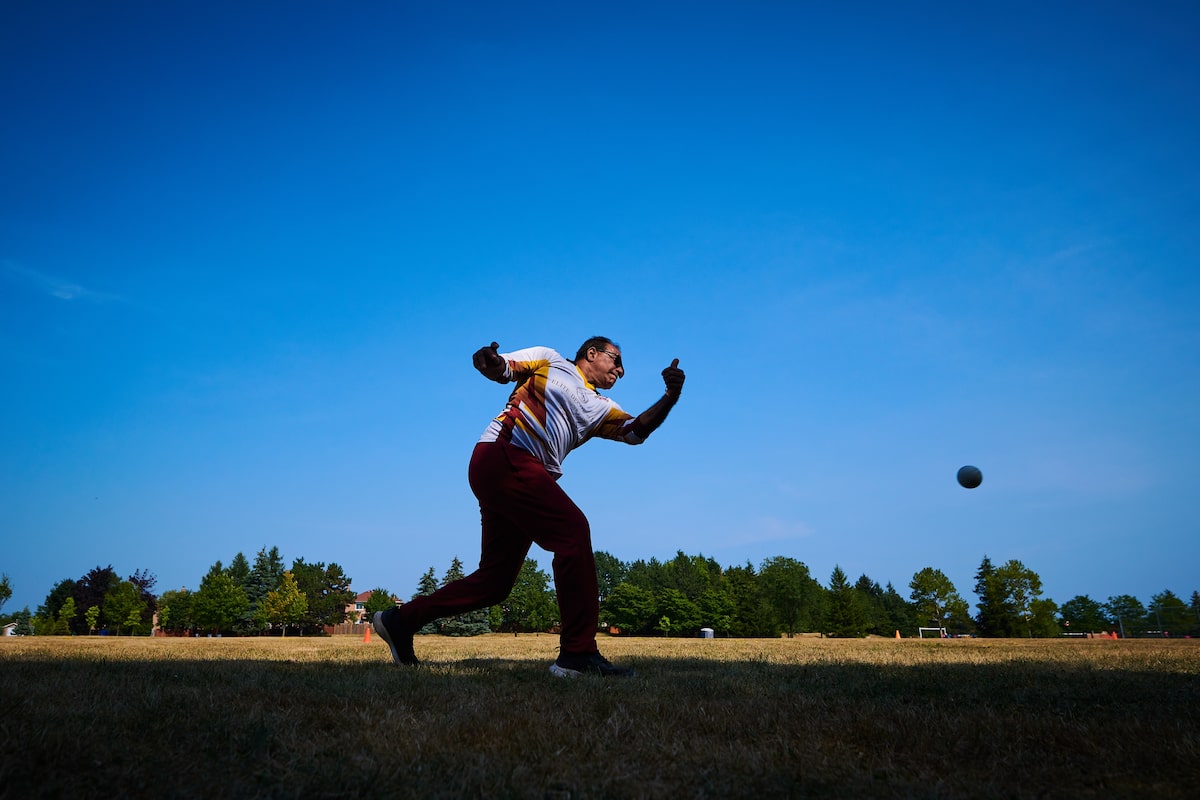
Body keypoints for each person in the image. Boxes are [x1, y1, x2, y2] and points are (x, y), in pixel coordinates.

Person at [373, 336, 685, 677]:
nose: (621, 370)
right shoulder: (550, 360)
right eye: (616, 360)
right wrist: (488, 361)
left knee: (495, 582)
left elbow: (634, 431)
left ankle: (399, 621)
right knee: (573, 532)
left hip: (521, 477)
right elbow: (503, 368)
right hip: (505, 455)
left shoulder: (601, 407)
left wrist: (670, 397)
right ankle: (577, 656)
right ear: (591, 353)